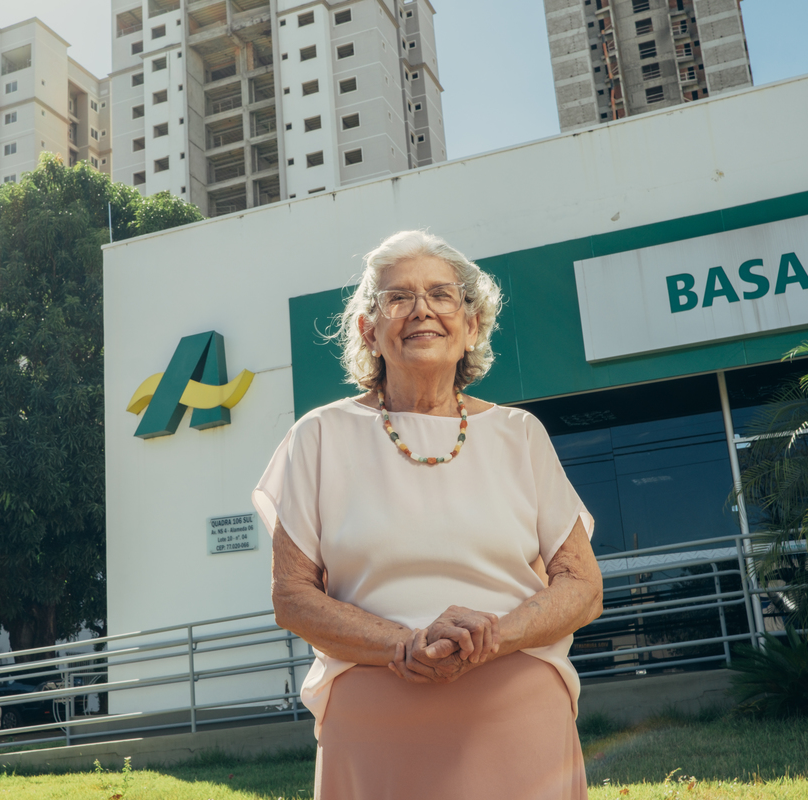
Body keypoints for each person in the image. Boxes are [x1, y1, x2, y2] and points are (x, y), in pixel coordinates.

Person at [253, 230, 604, 799]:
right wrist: (404, 644)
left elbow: (584, 587)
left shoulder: (520, 435)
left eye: (442, 296)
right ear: (370, 330)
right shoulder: (318, 436)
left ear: (472, 326)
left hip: (515, 698)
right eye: (397, 298)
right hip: (375, 706)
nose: (422, 311)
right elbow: (292, 597)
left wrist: (491, 637)